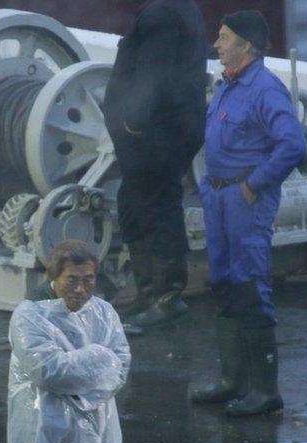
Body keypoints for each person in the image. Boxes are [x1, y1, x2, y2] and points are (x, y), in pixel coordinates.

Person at [189, 11, 306, 416]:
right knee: (223, 280)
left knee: (250, 283)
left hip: (244, 198)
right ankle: (232, 380)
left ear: (247, 45)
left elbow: (292, 146)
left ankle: (264, 389)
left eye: (224, 38)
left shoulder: (265, 90)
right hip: (218, 194)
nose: (217, 44)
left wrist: (253, 186)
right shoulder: (227, 84)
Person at [6, 240, 131, 443]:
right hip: (44, 424)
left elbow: (121, 367)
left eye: (89, 280)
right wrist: (98, 358)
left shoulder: (103, 312)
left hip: (98, 424)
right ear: (54, 278)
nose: (81, 289)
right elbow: (48, 371)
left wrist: (80, 372)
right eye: (71, 280)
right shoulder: (29, 315)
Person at [103, 0, 209, 328]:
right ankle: (147, 293)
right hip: (164, 129)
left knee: (159, 207)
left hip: (155, 132)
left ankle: (167, 299)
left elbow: (154, 73)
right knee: (134, 202)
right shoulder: (179, 7)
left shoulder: (163, 13)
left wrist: (133, 121)